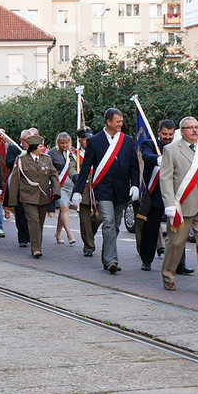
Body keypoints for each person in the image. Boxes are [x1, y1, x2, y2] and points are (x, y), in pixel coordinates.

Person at [72, 108, 140, 274]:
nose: (120, 124)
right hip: (102, 189)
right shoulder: (94, 141)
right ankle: (111, 260)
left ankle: (106, 254)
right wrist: (78, 191)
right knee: (108, 221)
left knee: (115, 225)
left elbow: (134, 165)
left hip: (121, 189)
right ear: (108, 122)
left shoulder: (127, 140)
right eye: (118, 121)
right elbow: (86, 166)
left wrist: (135, 185)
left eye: (121, 121)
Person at [160, 117, 198, 295]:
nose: (195, 131)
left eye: (197, 127)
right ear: (182, 131)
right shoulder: (171, 150)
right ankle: (168, 276)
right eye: (190, 128)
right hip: (181, 206)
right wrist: (170, 205)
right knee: (176, 244)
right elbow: (165, 179)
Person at [135, 120, 194, 274]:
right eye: (165, 134)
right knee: (151, 229)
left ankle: (180, 264)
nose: (167, 137)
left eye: (170, 134)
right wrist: (158, 159)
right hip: (155, 194)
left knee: (178, 229)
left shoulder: (179, 146)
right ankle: (146, 260)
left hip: (174, 194)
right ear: (159, 132)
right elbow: (146, 156)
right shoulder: (149, 144)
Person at [8, 134, 60, 257]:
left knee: (40, 222)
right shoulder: (21, 159)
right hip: (28, 196)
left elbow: (53, 175)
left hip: (43, 196)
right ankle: (36, 248)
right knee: (33, 221)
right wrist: (12, 200)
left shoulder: (46, 159)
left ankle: (38, 245)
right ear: (34, 147)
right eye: (41, 146)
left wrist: (56, 191)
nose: (43, 148)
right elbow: (15, 179)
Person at [73, 126, 102, 257]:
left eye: (89, 139)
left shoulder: (100, 151)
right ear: (80, 141)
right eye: (85, 139)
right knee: (85, 221)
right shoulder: (75, 155)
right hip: (83, 190)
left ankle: (90, 235)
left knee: (98, 218)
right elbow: (71, 169)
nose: (88, 141)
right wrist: (76, 177)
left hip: (97, 189)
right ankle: (89, 246)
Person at [4, 129, 35, 247]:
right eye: (28, 141)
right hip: (18, 186)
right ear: (22, 140)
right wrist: (19, 157)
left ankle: (32, 236)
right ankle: (22, 237)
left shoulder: (34, 149)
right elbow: (8, 163)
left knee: (31, 214)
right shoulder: (14, 149)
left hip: (31, 186)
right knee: (20, 213)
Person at [48, 132, 77, 244]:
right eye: (62, 143)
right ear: (58, 143)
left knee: (62, 210)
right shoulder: (52, 153)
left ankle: (58, 234)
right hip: (59, 184)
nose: (64, 145)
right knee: (64, 207)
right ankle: (69, 234)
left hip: (70, 185)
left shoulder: (73, 152)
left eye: (66, 143)